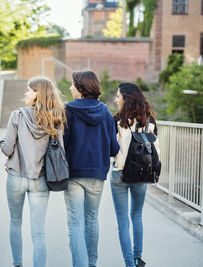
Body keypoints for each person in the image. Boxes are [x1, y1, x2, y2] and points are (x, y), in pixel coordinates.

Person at [0, 77, 66, 267]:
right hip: (42, 179)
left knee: (15, 222)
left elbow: (7, 148)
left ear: (38, 93)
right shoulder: (56, 119)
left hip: (16, 176)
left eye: (29, 90)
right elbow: (59, 150)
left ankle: (17, 264)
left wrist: (2, 144)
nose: (25, 93)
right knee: (38, 232)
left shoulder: (18, 115)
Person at [63, 70, 119, 267]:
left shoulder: (67, 110)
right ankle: (92, 263)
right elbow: (114, 148)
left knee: (75, 222)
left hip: (74, 173)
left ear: (80, 88)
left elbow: (62, 143)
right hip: (97, 173)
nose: (70, 88)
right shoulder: (105, 111)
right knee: (92, 219)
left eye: (72, 84)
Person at [111, 82, 159, 267]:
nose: (116, 100)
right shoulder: (150, 121)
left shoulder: (117, 120)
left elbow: (112, 148)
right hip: (142, 174)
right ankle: (138, 258)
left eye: (118, 96)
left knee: (123, 221)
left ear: (126, 98)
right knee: (137, 215)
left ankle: (129, 263)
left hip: (120, 175)